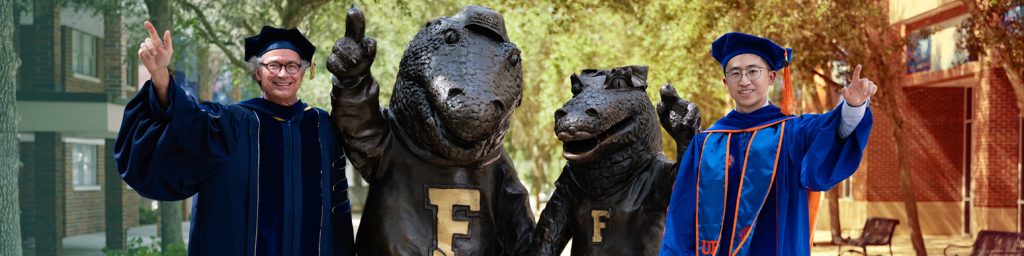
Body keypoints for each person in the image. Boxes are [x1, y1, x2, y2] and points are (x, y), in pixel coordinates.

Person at [115, 21, 355, 255]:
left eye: (292, 66)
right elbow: (188, 121)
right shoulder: (232, 123)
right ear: (258, 72)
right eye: (273, 66)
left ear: (304, 72)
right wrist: (160, 77)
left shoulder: (321, 126)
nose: (283, 73)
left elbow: (338, 203)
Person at [659, 32, 877, 256]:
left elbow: (833, 131)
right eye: (735, 73)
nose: (744, 81)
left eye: (753, 71)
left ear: (771, 77)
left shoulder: (793, 132)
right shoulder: (707, 143)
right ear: (726, 82)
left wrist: (852, 106)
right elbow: (682, 214)